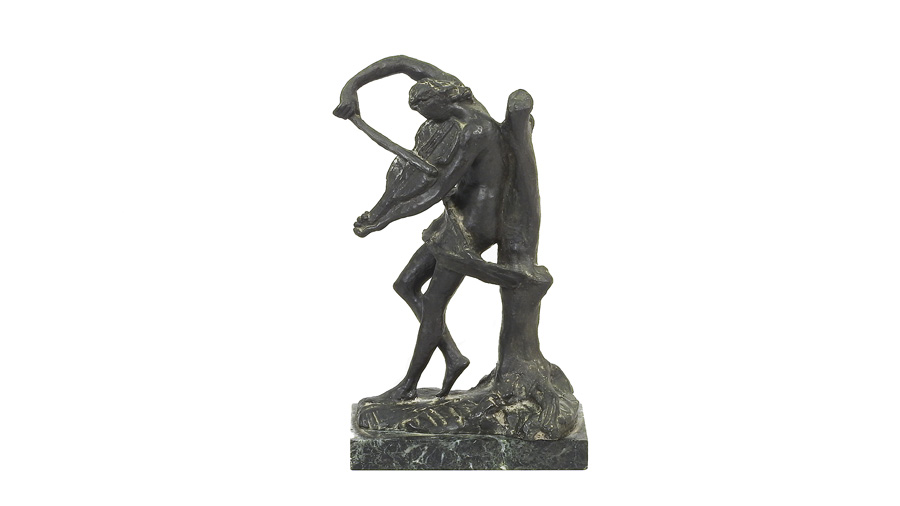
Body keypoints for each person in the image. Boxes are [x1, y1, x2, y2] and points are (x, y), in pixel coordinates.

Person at [334, 56, 508, 401]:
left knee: (433, 301)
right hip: (456, 214)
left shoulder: (475, 130)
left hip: (475, 224)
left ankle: (408, 386)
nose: (423, 118)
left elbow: (435, 189)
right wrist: (351, 88)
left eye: (425, 110)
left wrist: (383, 219)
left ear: (441, 100)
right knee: (405, 284)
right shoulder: (446, 87)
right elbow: (401, 62)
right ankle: (453, 355)